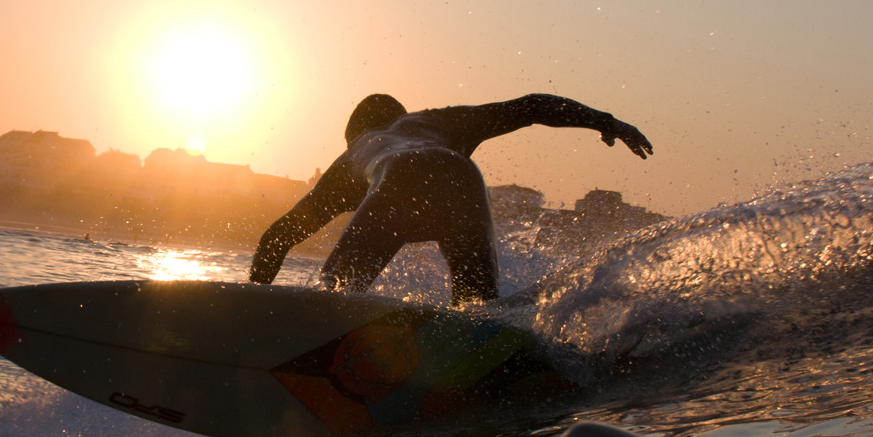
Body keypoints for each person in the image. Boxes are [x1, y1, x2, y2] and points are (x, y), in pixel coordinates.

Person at [249, 93, 653, 305]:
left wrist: (251, 298)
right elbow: (530, 106)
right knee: (479, 312)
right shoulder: (434, 120)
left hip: (399, 177)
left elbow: (277, 237)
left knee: (337, 296)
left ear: (355, 133)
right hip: (462, 178)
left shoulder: (351, 157)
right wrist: (604, 121)